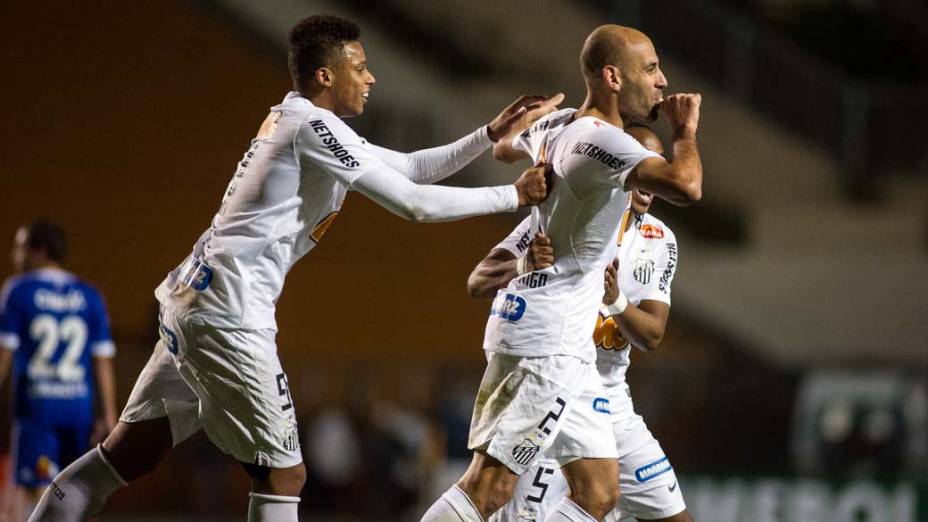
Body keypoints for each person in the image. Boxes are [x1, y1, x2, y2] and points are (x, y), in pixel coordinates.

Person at [29, 14, 559, 522]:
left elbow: (413, 167)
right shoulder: (313, 127)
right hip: (229, 317)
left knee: (126, 455)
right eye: (360, 67)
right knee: (284, 478)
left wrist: (488, 134)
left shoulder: (308, 123)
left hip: (194, 301)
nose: (371, 77)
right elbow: (413, 203)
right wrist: (511, 196)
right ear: (326, 75)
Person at [419, 24, 702, 522]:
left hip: (565, 344)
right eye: (651, 69)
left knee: (599, 494)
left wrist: (527, 127)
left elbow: (507, 147)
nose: (662, 82)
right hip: (546, 337)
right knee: (490, 487)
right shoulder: (601, 142)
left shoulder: (563, 125)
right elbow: (686, 184)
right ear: (613, 77)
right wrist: (685, 131)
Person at [478, 126, 694, 522]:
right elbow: (478, 279)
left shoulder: (659, 239)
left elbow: (652, 335)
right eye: (640, 171)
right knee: (514, 505)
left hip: (611, 398)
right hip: (553, 383)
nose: (648, 183)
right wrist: (523, 264)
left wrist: (615, 301)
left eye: (657, 168)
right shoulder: (566, 217)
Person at [0, 221, 117, 520]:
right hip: (78, 410)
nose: (16, 255)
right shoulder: (89, 295)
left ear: (39, 251)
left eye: (21, 247)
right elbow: (102, 360)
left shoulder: (19, 290)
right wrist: (109, 415)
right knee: (75, 492)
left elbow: (4, 354)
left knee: (36, 493)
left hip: (38, 410)